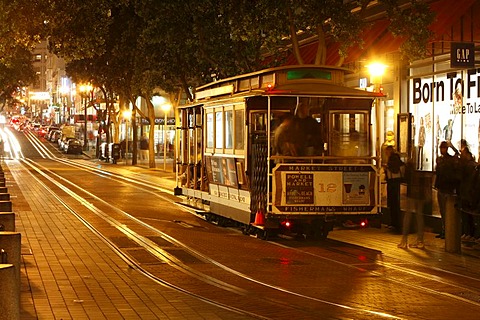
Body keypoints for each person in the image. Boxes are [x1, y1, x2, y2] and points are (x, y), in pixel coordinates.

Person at [434, 141, 460, 239]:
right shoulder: (440, 160)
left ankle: (447, 231)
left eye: (443, 148)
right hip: (442, 187)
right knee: (442, 211)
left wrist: (452, 146)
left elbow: (457, 155)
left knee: (447, 211)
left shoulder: (449, 160)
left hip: (447, 188)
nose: (442, 150)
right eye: (441, 148)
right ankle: (444, 230)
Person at [398, 159, 426, 248]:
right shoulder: (422, 167)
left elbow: (405, 178)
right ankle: (420, 240)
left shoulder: (409, 167)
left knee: (408, 215)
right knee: (419, 215)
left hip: (411, 192)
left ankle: (404, 240)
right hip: (420, 193)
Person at [385, 146, 404, 232]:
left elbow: (394, 169)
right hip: (394, 181)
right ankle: (394, 223)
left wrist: (387, 167)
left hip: (393, 181)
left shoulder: (393, 159)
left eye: (387, 152)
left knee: (393, 202)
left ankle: (395, 223)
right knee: (394, 203)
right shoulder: (396, 158)